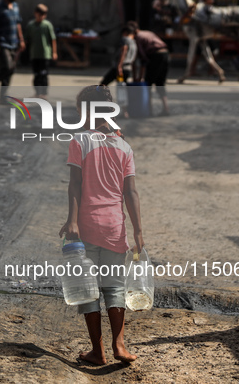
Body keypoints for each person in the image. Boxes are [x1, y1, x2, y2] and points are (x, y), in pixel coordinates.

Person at [59, 85, 144, 365]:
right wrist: (138, 230)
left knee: (87, 288)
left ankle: (98, 351)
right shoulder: (124, 146)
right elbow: (130, 193)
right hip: (115, 227)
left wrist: (72, 220)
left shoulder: (80, 141)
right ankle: (119, 345)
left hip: (87, 227)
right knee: (115, 287)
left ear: (86, 111)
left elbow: (75, 185)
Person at [128, 21, 170, 116]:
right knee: (160, 83)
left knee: (148, 84)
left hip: (156, 55)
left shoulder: (138, 37)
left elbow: (142, 57)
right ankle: (166, 108)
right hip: (166, 54)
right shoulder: (148, 32)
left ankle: (148, 110)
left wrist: (139, 77)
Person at [25, 3, 57, 98]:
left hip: (45, 54)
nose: (42, 16)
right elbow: (27, 39)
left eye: (44, 14)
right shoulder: (31, 25)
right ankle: (37, 92)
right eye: (40, 14)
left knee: (44, 74)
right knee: (36, 74)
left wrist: (54, 52)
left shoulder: (47, 25)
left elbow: (53, 39)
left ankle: (44, 92)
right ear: (35, 13)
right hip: (35, 54)